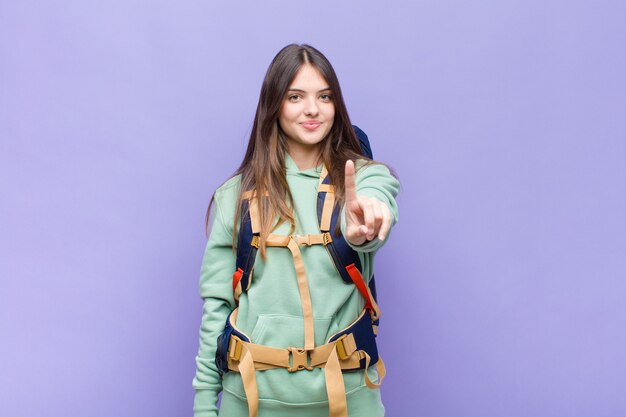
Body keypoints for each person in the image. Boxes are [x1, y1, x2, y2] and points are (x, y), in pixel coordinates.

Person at [192, 43, 400, 417]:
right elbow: (216, 311)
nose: (312, 109)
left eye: (325, 96)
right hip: (250, 400)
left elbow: (376, 203)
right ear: (274, 105)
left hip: (349, 398)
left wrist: (364, 227)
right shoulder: (233, 196)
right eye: (295, 96)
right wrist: (205, 407)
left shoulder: (366, 178)